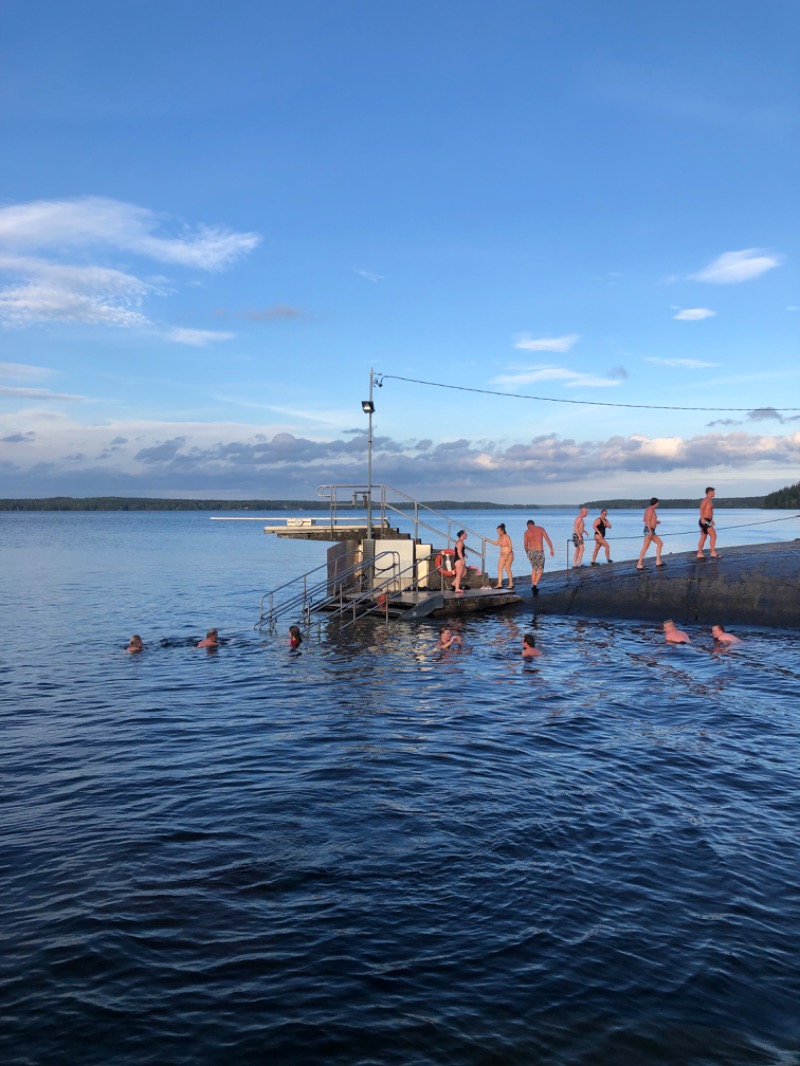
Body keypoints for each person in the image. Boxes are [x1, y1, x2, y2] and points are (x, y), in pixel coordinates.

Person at [523, 519, 555, 596]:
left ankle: (533, 584)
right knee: (540, 569)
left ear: (528, 525)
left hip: (531, 552)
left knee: (534, 568)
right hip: (539, 552)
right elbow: (547, 539)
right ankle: (534, 585)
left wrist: (527, 553)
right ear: (533, 524)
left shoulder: (526, 532)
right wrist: (551, 549)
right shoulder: (540, 529)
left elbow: (525, 545)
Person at [636, 498, 664, 569]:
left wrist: (655, 521)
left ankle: (658, 561)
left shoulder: (650, 509)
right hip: (649, 530)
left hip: (651, 530)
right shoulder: (650, 509)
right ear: (656, 503)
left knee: (660, 543)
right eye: (658, 503)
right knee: (645, 547)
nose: (658, 504)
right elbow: (647, 520)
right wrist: (650, 531)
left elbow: (644, 519)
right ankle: (639, 564)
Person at [697, 487, 722, 559]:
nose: (714, 493)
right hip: (704, 520)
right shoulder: (706, 500)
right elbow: (701, 508)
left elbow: (709, 512)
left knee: (703, 537)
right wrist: (702, 518)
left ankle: (699, 553)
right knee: (714, 536)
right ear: (710, 492)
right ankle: (713, 553)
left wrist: (711, 520)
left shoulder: (710, 501)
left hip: (707, 520)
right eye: (713, 492)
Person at [489, 523, 514, 589]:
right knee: (499, 568)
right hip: (502, 555)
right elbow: (496, 543)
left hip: (509, 554)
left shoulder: (507, 536)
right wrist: (488, 540)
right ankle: (499, 584)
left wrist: (506, 555)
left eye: (499, 531)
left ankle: (511, 583)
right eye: (497, 531)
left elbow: (511, 547)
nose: (498, 533)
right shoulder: (500, 537)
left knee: (507, 568)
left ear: (502, 530)